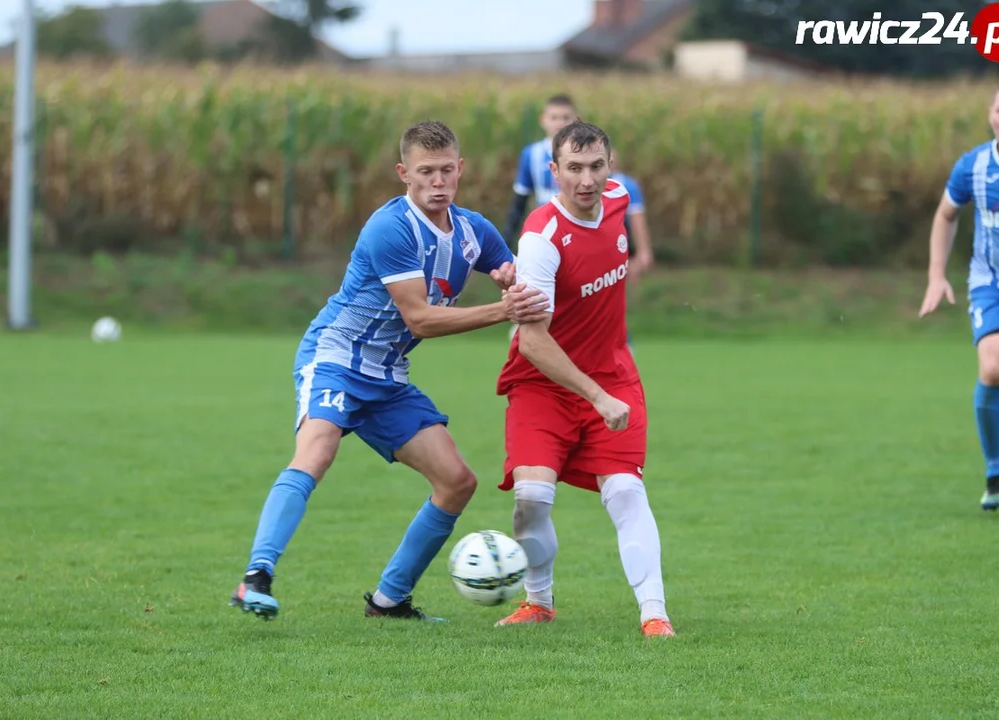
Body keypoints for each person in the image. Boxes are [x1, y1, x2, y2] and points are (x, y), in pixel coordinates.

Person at [228, 120, 549, 622]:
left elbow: (505, 268)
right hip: (335, 358)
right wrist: (502, 311)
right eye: (426, 172)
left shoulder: (473, 231)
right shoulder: (391, 228)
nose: (438, 181)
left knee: (457, 481)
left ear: (460, 169)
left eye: (447, 170)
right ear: (404, 173)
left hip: (387, 377)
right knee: (317, 452)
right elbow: (419, 317)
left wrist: (508, 274)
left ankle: (389, 601)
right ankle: (256, 578)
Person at [492, 120, 674, 637]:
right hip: (542, 383)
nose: (586, 179)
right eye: (573, 168)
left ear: (611, 167)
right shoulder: (542, 238)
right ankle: (538, 601)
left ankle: (654, 614)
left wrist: (603, 389)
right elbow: (532, 339)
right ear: (554, 171)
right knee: (531, 498)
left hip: (612, 373)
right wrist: (595, 397)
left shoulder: (618, 200)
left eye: (596, 166)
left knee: (625, 491)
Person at [920, 77, 999, 511]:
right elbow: (946, 215)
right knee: (993, 368)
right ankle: (994, 474)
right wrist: (936, 275)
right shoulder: (973, 166)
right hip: (994, 286)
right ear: (990, 115)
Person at [503, 94, 579, 249]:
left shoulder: (584, 154)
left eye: (565, 117)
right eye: (554, 117)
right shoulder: (531, 154)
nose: (560, 123)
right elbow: (519, 203)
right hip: (545, 231)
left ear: (576, 120)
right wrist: (507, 241)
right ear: (543, 120)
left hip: (578, 229)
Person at [609, 147, 654, 349]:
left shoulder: (626, 185)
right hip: (585, 255)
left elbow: (637, 221)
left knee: (611, 304)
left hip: (615, 257)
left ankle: (623, 348)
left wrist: (643, 253)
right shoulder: (580, 186)